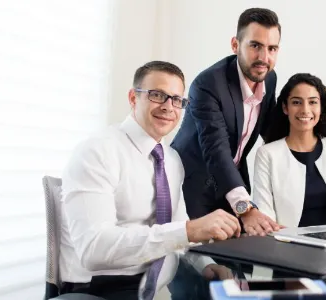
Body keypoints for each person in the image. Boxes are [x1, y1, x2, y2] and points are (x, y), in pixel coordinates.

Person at [59, 61, 238, 300]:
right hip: (99, 289)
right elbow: (94, 248)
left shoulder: (172, 159)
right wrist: (189, 230)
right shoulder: (98, 151)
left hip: (149, 288)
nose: (168, 107)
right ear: (133, 98)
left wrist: (204, 263)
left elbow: (178, 225)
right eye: (157, 95)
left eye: (177, 100)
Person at [171, 8, 282, 236]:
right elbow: (216, 148)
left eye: (272, 48)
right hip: (192, 184)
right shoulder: (208, 84)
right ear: (235, 45)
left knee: (245, 252)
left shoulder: (269, 78)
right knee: (199, 262)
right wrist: (245, 209)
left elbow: (272, 132)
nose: (264, 57)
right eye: (255, 46)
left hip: (231, 181)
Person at [252, 73, 326, 228]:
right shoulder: (268, 154)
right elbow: (266, 217)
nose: (305, 110)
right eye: (296, 102)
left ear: (321, 107)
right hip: (292, 245)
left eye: (313, 102)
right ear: (285, 108)